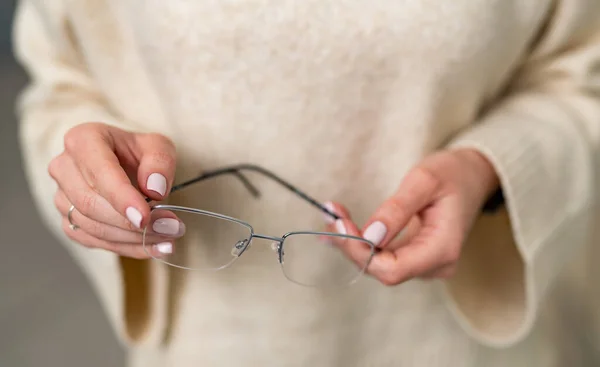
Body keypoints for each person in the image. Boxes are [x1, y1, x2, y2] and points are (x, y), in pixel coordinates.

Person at [12, 0, 600, 366]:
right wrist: (88, 169)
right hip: (208, 347)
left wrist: (493, 168)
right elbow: (59, 84)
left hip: (460, 348)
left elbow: (581, 77)